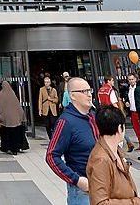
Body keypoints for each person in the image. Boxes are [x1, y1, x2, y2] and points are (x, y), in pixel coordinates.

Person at [87, 105, 140, 205]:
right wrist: (136, 202)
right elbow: (100, 203)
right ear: (120, 128)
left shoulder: (116, 150)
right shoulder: (101, 160)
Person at [45, 77, 97, 205]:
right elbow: (51, 156)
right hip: (82, 191)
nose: (89, 94)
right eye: (84, 91)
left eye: (90, 90)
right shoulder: (66, 122)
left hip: (101, 185)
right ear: (72, 96)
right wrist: (77, 180)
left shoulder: (93, 116)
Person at [97, 76, 134, 152]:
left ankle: (128, 143)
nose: (113, 82)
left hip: (103, 113)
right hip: (112, 113)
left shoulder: (100, 90)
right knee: (118, 129)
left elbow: (100, 102)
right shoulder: (111, 90)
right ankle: (124, 147)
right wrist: (120, 113)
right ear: (108, 81)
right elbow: (114, 103)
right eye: (112, 80)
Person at [0, 80, 25, 155]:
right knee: (15, 134)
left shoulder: (0, 95)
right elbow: (18, 107)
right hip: (16, 120)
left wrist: (0, 116)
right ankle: (16, 148)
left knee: (6, 134)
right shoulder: (13, 94)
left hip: (6, 121)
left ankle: (6, 147)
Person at [125, 73, 140, 156]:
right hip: (132, 112)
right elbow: (127, 98)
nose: (131, 81)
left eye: (132, 79)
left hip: (139, 112)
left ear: (135, 79)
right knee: (137, 132)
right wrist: (127, 102)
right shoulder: (128, 89)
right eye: (129, 79)